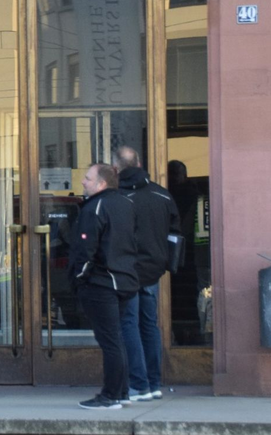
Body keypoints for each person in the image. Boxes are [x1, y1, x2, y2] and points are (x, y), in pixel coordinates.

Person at [115, 147, 180, 403]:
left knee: (128, 324)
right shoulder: (161, 195)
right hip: (153, 271)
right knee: (149, 325)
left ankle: (139, 384)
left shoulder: (117, 196)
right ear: (139, 163)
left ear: (116, 168)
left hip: (127, 270)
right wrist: (165, 263)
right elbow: (175, 233)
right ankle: (153, 383)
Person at [71, 163, 138, 410]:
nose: (83, 182)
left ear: (101, 183)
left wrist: (79, 277)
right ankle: (120, 393)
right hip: (124, 281)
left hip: (102, 283)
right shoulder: (127, 203)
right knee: (116, 339)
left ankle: (111, 395)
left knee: (110, 340)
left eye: (87, 178)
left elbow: (85, 249)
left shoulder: (96, 206)